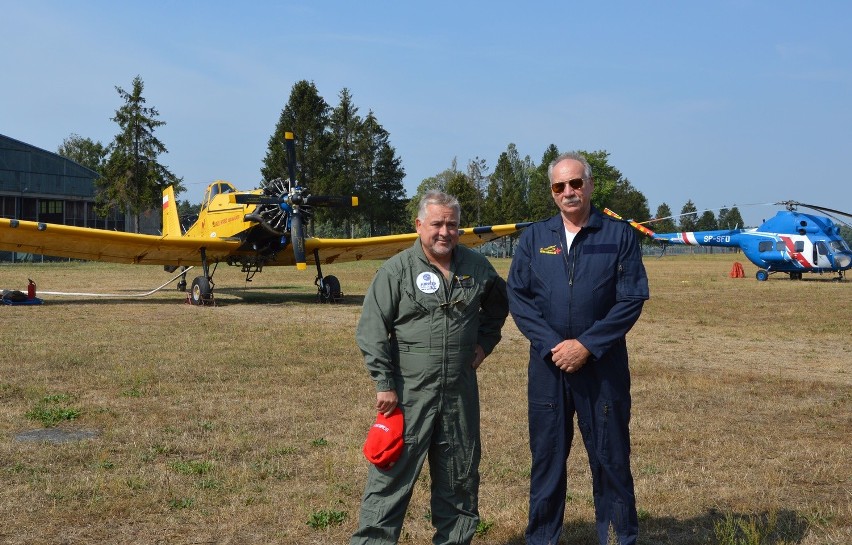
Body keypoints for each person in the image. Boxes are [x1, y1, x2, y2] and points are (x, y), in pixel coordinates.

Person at [350, 190, 509, 545]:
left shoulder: (477, 268)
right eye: (437, 223)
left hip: (459, 394)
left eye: (452, 225)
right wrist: (384, 382)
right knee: (389, 480)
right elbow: (372, 328)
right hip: (408, 393)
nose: (444, 232)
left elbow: (499, 306)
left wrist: (484, 344)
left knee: (460, 479)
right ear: (419, 225)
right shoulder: (397, 270)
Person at [507, 153, 649, 545]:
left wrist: (587, 345)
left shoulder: (618, 235)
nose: (568, 192)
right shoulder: (535, 238)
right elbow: (518, 298)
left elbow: (631, 299)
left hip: (602, 368)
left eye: (575, 183)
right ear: (552, 193)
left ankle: (619, 537)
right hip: (548, 368)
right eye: (560, 186)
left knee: (611, 459)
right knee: (548, 461)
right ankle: (542, 539)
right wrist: (555, 345)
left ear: (589, 185)